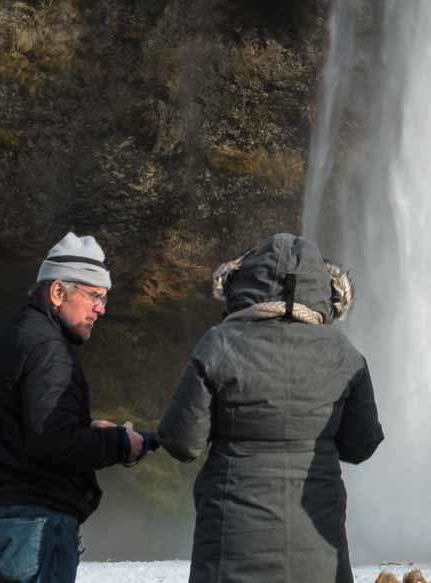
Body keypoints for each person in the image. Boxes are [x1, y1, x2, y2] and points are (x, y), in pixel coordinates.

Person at [158, 232, 383, 583]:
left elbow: (181, 441)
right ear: (326, 290)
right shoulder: (345, 353)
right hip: (318, 550)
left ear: (243, 283)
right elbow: (362, 445)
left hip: (231, 544)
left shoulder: (219, 343)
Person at [0, 233, 155, 583]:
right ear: (56, 293)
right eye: (95, 296)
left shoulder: (8, 340)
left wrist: (85, 429)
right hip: (31, 530)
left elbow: (22, 431)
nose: (102, 309)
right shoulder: (50, 352)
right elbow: (53, 443)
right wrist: (122, 444)